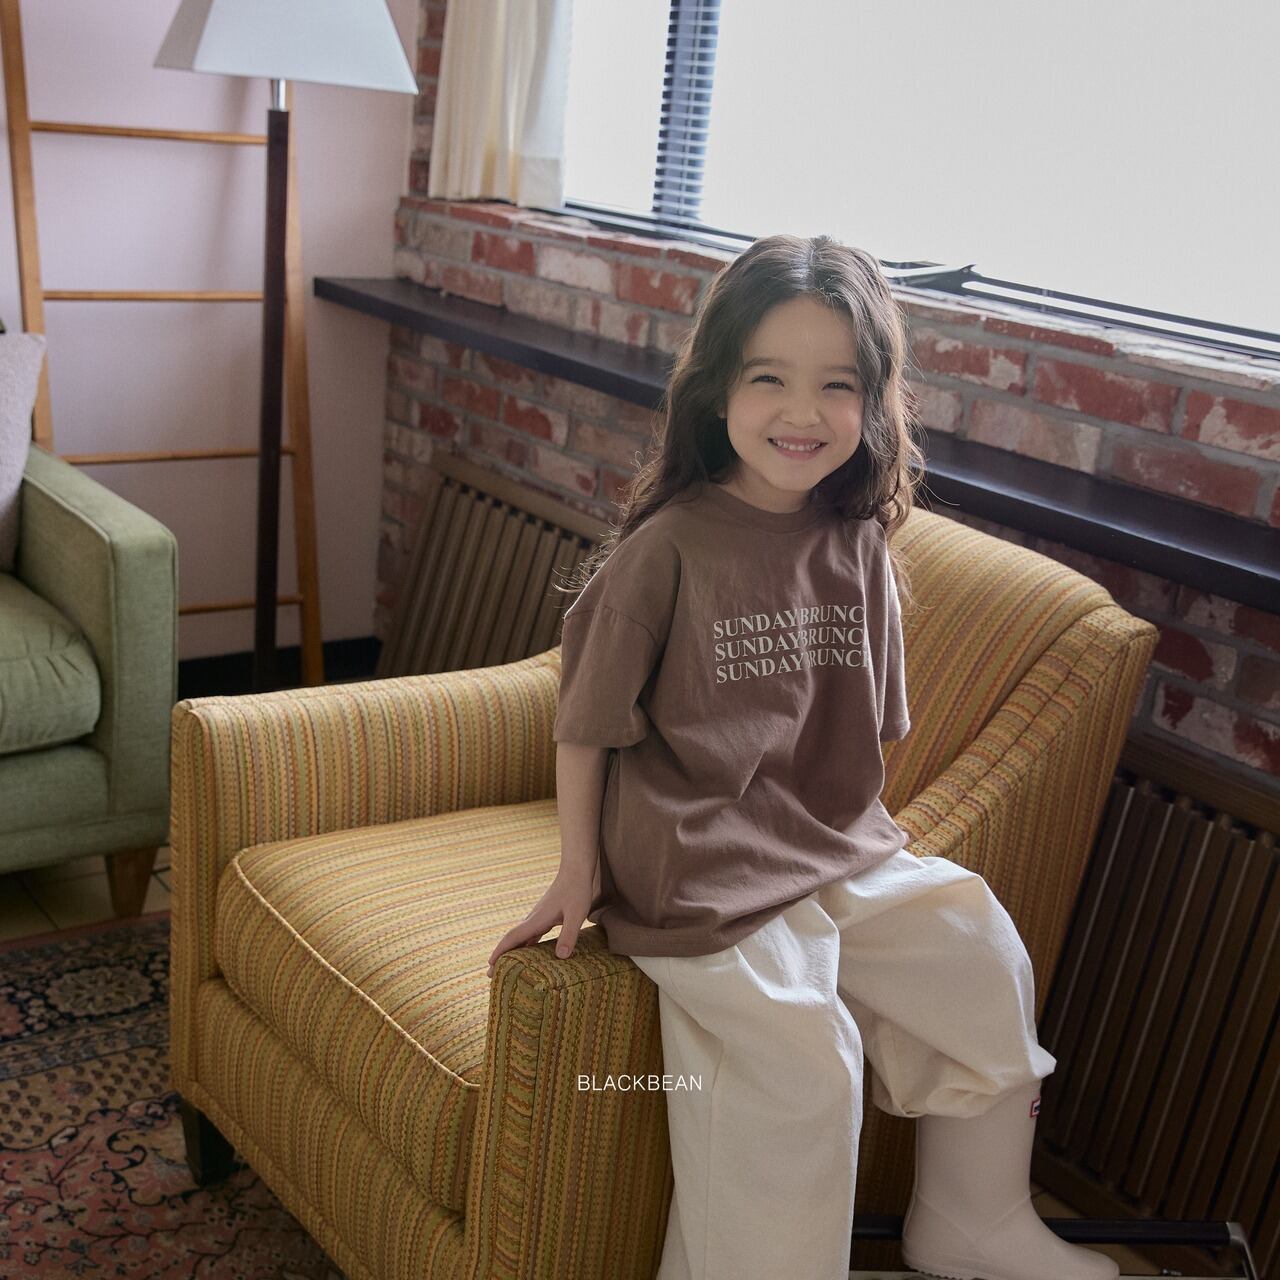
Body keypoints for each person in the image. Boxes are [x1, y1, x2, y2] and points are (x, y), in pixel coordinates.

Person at [487, 233, 1117, 1280]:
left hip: (825, 843)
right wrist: (578, 868)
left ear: (873, 403)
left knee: (977, 946)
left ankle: (974, 1219)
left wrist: (851, 857)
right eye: (767, 377)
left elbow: (868, 734)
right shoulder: (664, 551)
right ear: (715, 390)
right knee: (801, 1069)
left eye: (836, 384)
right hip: (694, 861)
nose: (801, 411)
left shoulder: (858, 541)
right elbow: (584, 722)